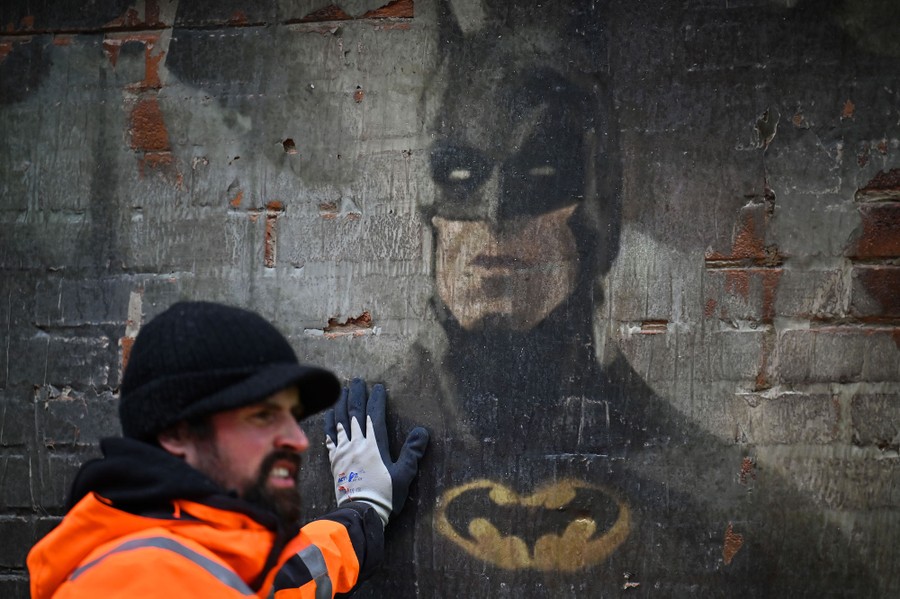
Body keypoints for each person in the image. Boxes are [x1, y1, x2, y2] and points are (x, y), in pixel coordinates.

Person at [27, 301, 429, 598]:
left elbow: (288, 579)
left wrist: (365, 508)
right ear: (178, 434)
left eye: (291, 415)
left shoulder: (198, 560)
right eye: (263, 417)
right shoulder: (144, 582)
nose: (298, 439)